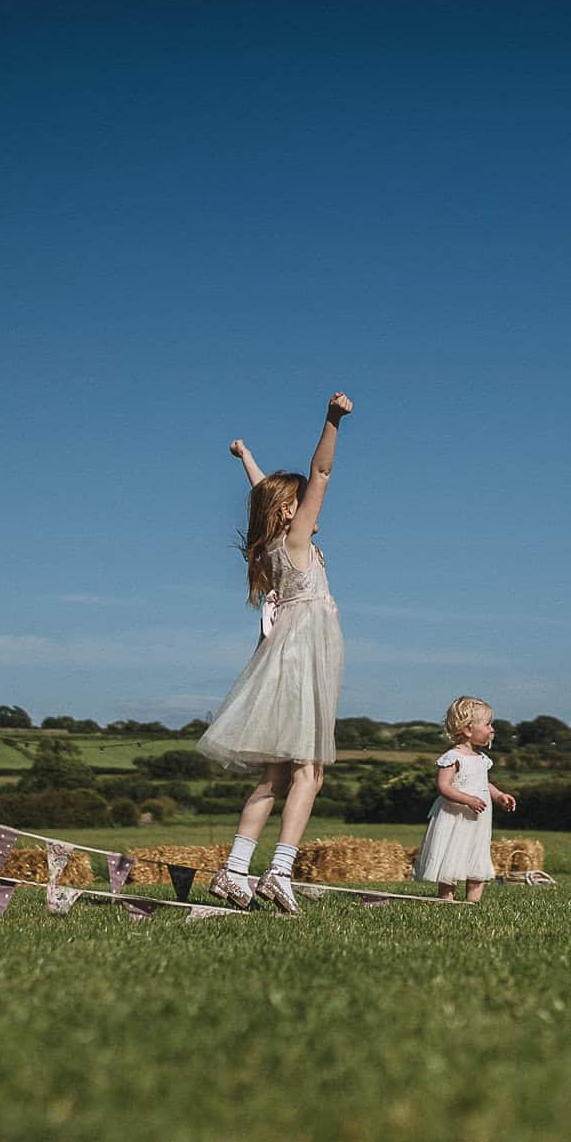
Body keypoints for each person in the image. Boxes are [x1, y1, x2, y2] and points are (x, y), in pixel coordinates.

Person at [197, 392, 354, 914]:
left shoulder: (268, 548)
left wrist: (246, 458)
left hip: (281, 663)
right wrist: (331, 420)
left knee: (274, 776)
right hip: (303, 660)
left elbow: (265, 494)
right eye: (301, 499)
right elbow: (323, 472)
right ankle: (280, 870)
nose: (312, 499)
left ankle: (234, 870)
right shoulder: (298, 539)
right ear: (290, 511)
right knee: (310, 771)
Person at [412, 696, 517, 903]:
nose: (492, 729)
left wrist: (499, 796)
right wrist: (467, 799)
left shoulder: (481, 760)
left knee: (477, 855)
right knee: (452, 854)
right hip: (456, 817)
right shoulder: (453, 757)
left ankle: (473, 902)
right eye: (487, 724)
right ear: (468, 730)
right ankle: (446, 898)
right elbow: (444, 786)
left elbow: (484, 784)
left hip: (478, 821)